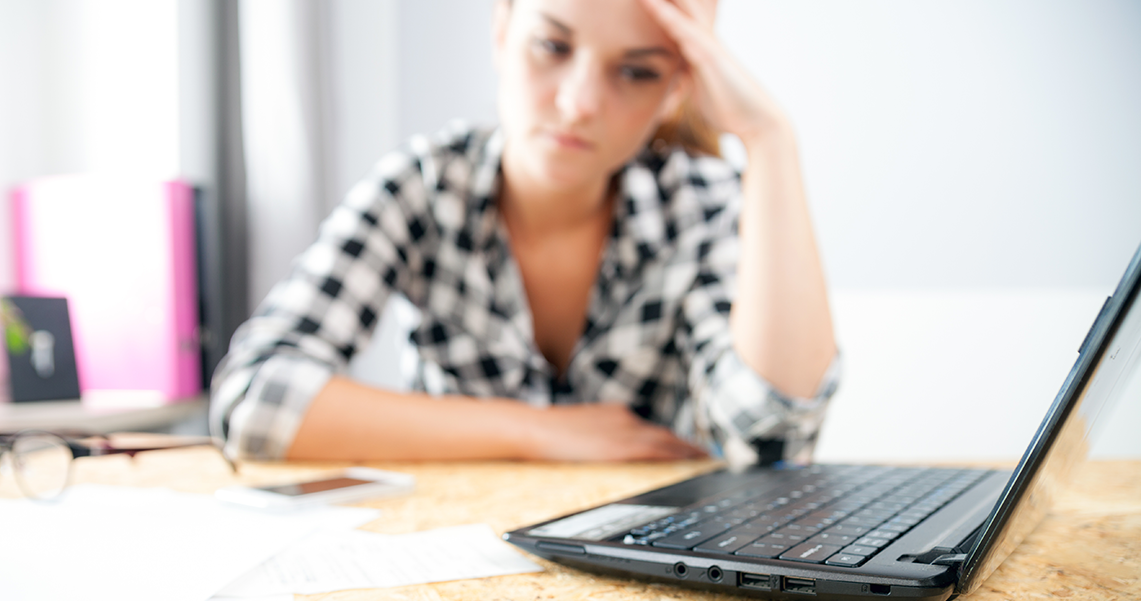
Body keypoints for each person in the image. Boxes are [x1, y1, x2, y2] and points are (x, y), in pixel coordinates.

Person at [211, 0, 839, 466]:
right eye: (553, 46)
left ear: (676, 90)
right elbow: (252, 398)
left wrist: (767, 139)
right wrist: (535, 430)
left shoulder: (700, 203)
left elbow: (774, 443)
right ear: (502, 32)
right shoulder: (426, 184)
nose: (578, 102)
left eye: (637, 72)